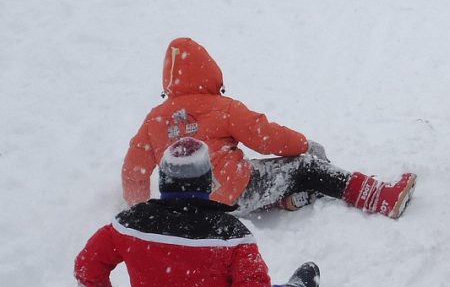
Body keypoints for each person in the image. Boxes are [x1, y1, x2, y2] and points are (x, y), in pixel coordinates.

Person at [122, 37, 416, 219]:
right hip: (234, 194)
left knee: (259, 170)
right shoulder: (223, 108)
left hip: (188, 207)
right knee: (307, 167)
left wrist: (139, 209)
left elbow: (133, 171)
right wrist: (303, 144)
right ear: (210, 72)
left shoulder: (155, 118)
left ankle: (287, 200)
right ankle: (380, 197)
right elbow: (267, 138)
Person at [76, 137, 320, 287]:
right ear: (206, 182)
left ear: (163, 180)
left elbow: (87, 268)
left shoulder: (129, 225)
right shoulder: (232, 235)